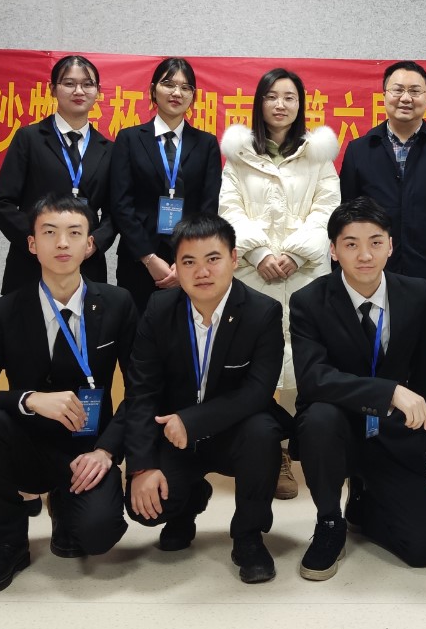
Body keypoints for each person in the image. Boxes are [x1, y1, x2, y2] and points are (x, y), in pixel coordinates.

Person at [0, 194, 136, 595]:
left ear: (90, 244)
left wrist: (107, 452)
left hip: (87, 449)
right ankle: (8, 542)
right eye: (49, 233)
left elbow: (142, 390)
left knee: (97, 535)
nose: (62, 243)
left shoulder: (118, 304)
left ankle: (66, 505)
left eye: (74, 233)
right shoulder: (4, 311)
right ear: (32, 244)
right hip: (27, 446)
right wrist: (28, 399)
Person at [123, 213, 291, 584]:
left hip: (235, 431)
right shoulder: (158, 310)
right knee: (145, 509)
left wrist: (194, 421)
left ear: (233, 259)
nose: (202, 272)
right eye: (189, 262)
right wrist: (141, 467)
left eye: (213, 259)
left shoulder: (263, 312)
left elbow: (257, 391)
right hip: (174, 435)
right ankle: (188, 504)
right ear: (176, 267)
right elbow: (142, 391)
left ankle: (248, 537)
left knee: (263, 431)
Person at [289, 197, 426, 580]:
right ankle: (330, 521)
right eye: (351, 244)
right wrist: (387, 392)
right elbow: (313, 379)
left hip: (390, 433)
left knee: (424, 549)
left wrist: (423, 443)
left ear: (390, 246)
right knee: (319, 417)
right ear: (333, 250)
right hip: (336, 430)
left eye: (375, 242)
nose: (364, 255)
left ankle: (364, 499)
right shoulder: (308, 301)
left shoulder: (417, 293)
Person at [339, 60, 426, 494]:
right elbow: (343, 219)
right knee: (369, 364)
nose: (405, 97)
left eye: (415, 90)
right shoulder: (360, 149)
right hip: (368, 279)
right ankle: (366, 452)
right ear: (383, 96)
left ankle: (423, 452)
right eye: (397, 89)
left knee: (425, 369)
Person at [219, 67, 340, 501]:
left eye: (289, 97)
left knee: (298, 364)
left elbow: (328, 210)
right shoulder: (239, 155)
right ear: (259, 102)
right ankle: (265, 453)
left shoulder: (317, 155)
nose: (280, 105)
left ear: (300, 104)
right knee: (255, 362)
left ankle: (289, 449)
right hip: (253, 275)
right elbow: (229, 209)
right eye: (272, 96)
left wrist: (294, 253)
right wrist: (258, 254)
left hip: (303, 274)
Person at [0, 55, 115, 294]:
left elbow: (114, 212)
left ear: (98, 92)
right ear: (53, 89)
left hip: (86, 265)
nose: (79, 91)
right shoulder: (29, 138)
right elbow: (1, 203)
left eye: (87, 84)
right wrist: (39, 240)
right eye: (69, 83)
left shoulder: (109, 149)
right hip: (31, 265)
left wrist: (95, 243)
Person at [110, 57, 221, 313]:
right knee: (137, 331)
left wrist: (186, 261)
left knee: (186, 330)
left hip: (191, 262)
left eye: (185, 87)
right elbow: (121, 204)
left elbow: (208, 209)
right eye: (168, 84)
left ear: (193, 96)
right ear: (153, 90)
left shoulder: (206, 144)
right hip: (138, 260)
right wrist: (148, 258)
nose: (176, 92)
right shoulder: (129, 139)